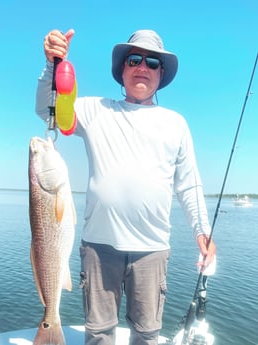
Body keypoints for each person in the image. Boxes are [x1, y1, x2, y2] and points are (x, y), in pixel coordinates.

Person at [35, 28, 216, 345]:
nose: (142, 67)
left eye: (153, 62)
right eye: (134, 59)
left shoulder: (175, 123)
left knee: (147, 335)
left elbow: (189, 185)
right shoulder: (96, 110)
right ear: (122, 69)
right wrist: (53, 64)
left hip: (152, 249)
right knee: (99, 333)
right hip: (98, 247)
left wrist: (202, 231)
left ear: (161, 74)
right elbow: (47, 113)